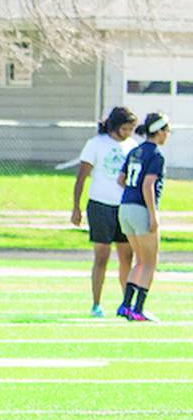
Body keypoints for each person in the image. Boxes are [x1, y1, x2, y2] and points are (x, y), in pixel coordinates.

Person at [72, 106, 137, 317]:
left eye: (131, 129)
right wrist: (76, 206)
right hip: (100, 205)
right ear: (115, 126)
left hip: (124, 207)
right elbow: (81, 176)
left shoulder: (132, 146)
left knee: (127, 256)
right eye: (125, 128)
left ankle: (126, 303)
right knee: (102, 256)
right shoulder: (96, 144)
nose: (128, 133)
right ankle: (96, 304)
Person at [117, 112, 170, 322]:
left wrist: (133, 193)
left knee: (139, 261)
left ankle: (125, 305)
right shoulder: (156, 154)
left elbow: (121, 179)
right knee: (149, 262)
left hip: (125, 206)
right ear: (157, 131)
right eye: (165, 131)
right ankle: (138, 308)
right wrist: (153, 214)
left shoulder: (134, 150)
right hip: (140, 208)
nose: (167, 135)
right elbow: (148, 185)